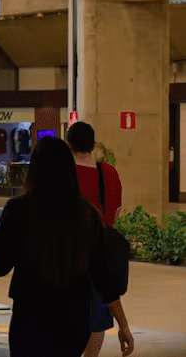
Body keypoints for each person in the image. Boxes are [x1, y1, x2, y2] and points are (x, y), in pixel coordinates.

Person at [0, 137, 133, 357]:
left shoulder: (18, 210)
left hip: (30, 313)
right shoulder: (87, 214)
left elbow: (0, 266)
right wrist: (123, 324)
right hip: (75, 317)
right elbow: (103, 277)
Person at [67, 121, 124, 357]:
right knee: (98, 317)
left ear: (68, 145)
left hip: (68, 257)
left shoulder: (64, 174)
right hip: (101, 256)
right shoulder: (108, 173)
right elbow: (116, 211)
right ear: (93, 144)